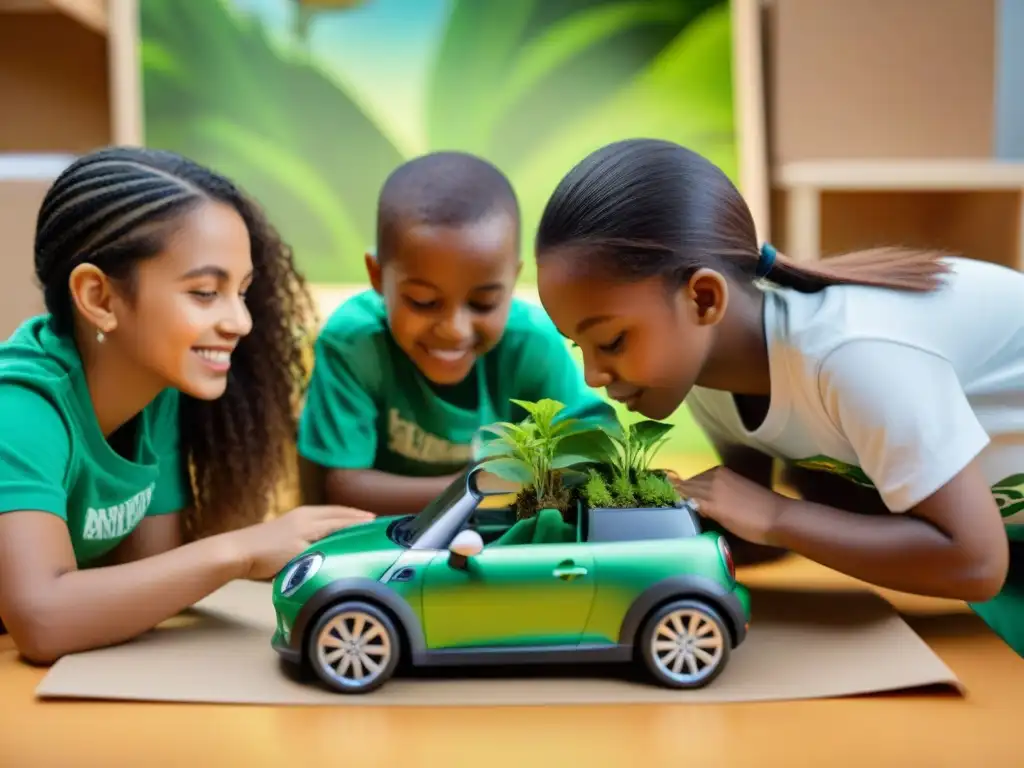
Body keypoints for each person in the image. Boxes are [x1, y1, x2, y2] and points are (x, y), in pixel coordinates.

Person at [533, 137, 1024, 655]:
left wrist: (776, 516)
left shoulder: (852, 354)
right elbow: (747, 534)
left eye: (611, 340)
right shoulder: (712, 386)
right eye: (579, 346)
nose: (591, 375)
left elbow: (975, 564)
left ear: (703, 298)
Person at [0, 147, 374, 664]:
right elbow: (43, 619)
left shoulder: (157, 393)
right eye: (204, 292)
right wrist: (242, 550)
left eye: (242, 292)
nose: (241, 322)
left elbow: (150, 579)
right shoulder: (18, 409)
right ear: (99, 298)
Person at [297, 151, 614, 517]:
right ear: (376, 276)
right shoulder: (355, 343)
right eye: (423, 301)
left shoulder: (531, 343)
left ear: (513, 280)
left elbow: (593, 446)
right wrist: (482, 484)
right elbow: (343, 488)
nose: (453, 330)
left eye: (483, 303)